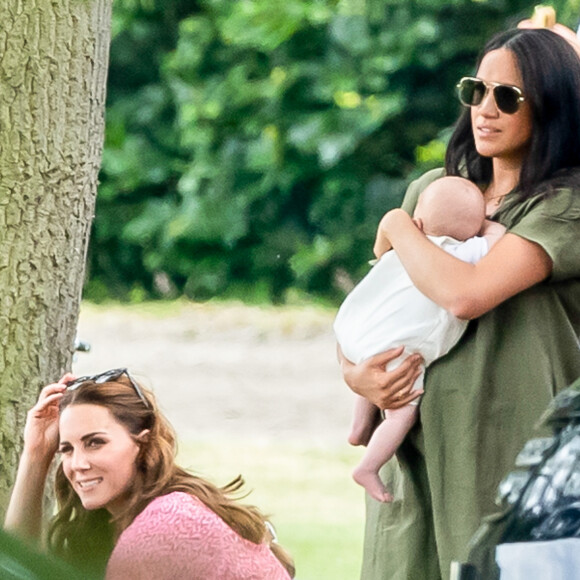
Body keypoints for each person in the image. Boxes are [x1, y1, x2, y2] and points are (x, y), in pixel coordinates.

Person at [338, 27, 580, 580]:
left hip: (510, 454)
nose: (485, 109)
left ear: (554, 107)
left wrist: (399, 225)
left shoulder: (566, 205)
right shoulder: (436, 189)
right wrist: (357, 376)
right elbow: (380, 300)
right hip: (414, 455)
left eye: (508, 97)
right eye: (477, 90)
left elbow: (466, 294)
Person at [4, 369, 294, 580]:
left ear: (142, 443)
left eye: (95, 443)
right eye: (66, 449)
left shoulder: (163, 528)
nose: (77, 463)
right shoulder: (123, 522)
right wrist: (37, 452)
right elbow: (19, 568)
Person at [334, 176, 505, 502]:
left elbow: (380, 250)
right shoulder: (464, 252)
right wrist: (489, 227)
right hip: (400, 346)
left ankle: (358, 426)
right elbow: (498, 242)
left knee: (374, 363)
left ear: (417, 220)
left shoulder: (403, 247)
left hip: (355, 331)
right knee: (402, 411)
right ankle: (368, 467)